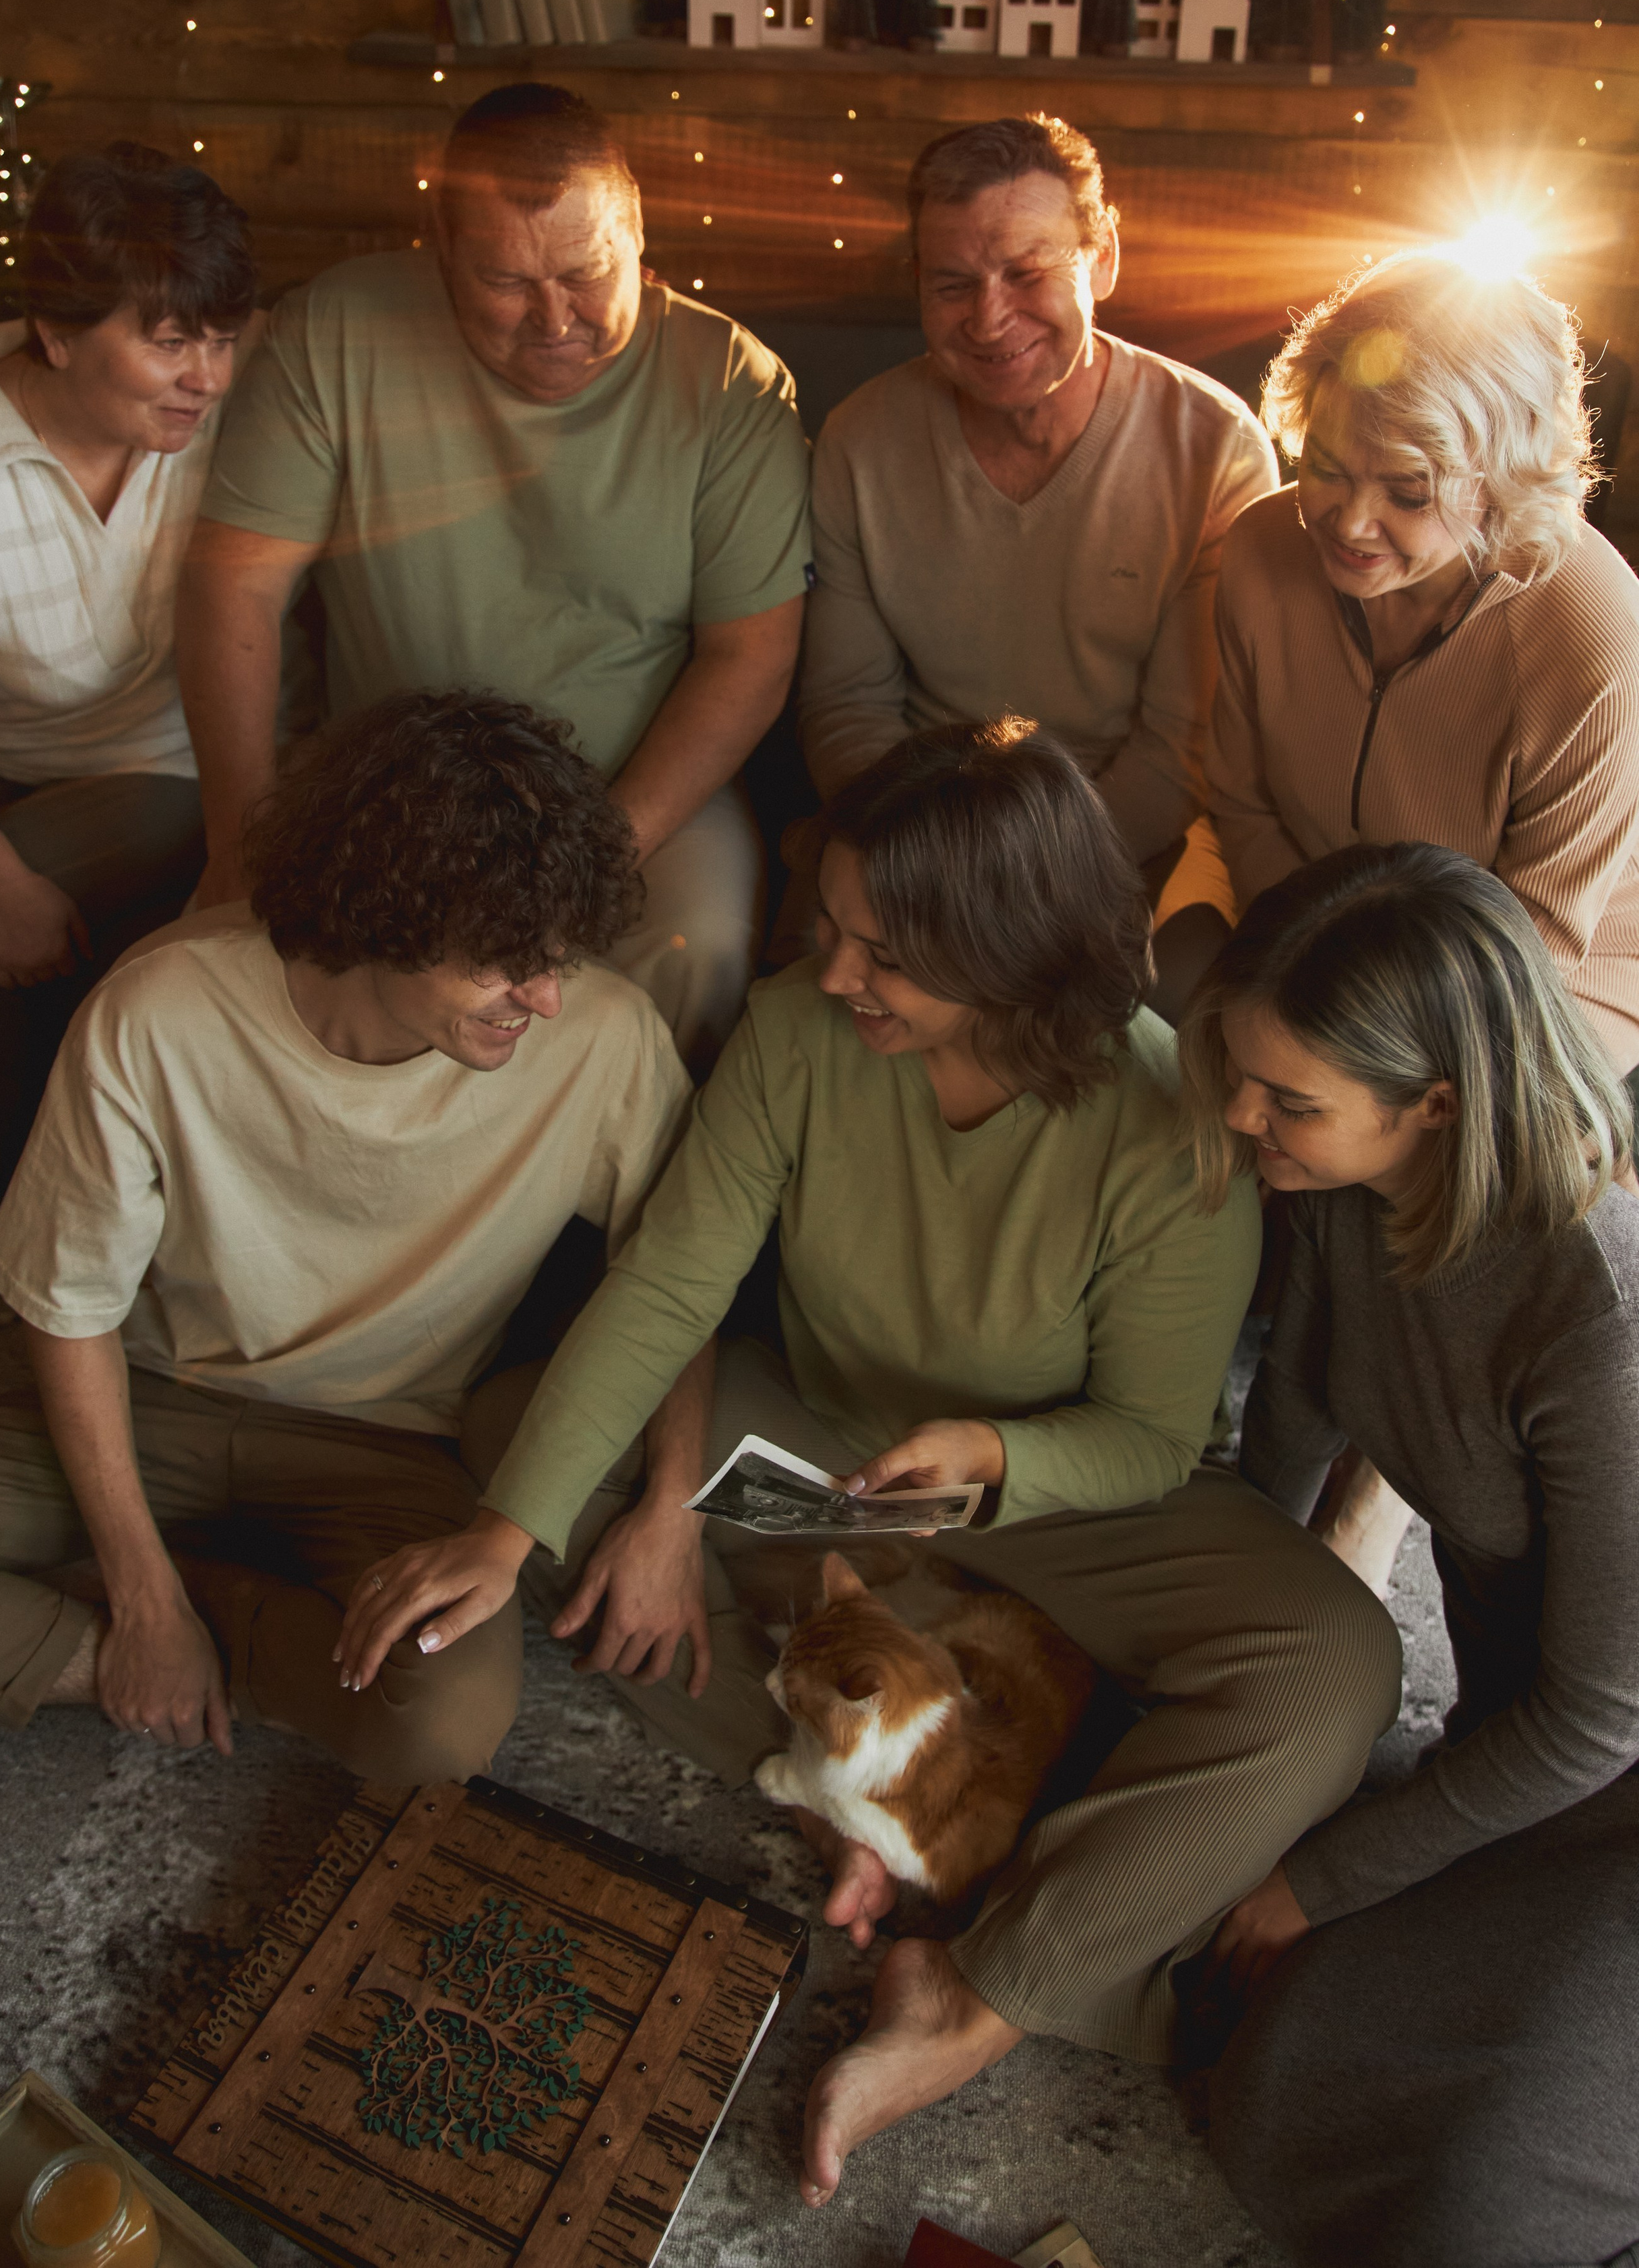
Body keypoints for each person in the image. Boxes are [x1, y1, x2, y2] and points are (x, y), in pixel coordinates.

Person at [328, 718, 1399, 2207]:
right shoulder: (794, 1034)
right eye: (830, 932)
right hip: (831, 1459)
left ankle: (978, 1981)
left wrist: (996, 1454)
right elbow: (669, 1284)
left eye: (880, 956)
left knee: (1336, 1667)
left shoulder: (1170, 1126)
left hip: (1063, 1493)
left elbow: (1151, 1437)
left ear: (1015, 956)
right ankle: (900, 1805)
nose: (836, 978)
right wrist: (532, 1529)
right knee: (522, 1440)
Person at [0, 691, 692, 1786]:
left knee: (438, 1731)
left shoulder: (607, 1040)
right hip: (151, 1404)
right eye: (506, 963)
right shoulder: (158, 1009)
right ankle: (141, 1626)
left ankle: (201, 1602)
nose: (549, 998)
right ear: (382, 914)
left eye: (558, 954)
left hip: (389, 1448)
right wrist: (140, 1611)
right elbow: (71, 1309)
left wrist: (672, 1501)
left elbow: (675, 1278)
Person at [1172, 842, 1639, 2268]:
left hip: (1602, 1751)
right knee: (1264, 2078)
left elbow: (1603, 1713)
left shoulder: (1593, 1310)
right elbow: (1292, 1431)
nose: (1244, 1117)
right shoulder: (1338, 1190)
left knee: (1473, 2217)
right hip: (1526, 1743)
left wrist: (1319, 1878)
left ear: (1433, 1106)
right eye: (1242, 1075)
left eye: (1289, 1101)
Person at [177, 82, 811, 1069]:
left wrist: (591, 862)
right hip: (382, 789)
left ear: (637, 228)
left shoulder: (733, 381)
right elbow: (236, 588)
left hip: (632, 790)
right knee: (229, 970)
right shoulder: (333, 330)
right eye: (506, 282)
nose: (555, 318)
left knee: (704, 948)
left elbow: (752, 657)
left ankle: (620, 1216)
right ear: (438, 245)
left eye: (588, 272)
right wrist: (236, 838)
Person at [0, 142, 259, 1300]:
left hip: (193, 762)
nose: (204, 375)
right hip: (0, 765)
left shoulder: (228, 423)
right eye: (168, 342)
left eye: (219, 338)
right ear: (56, 334)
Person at [796, 114, 1277, 944]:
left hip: (1120, 850)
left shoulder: (1215, 447)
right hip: (906, 840)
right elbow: (847, 708)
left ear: (1103, 259)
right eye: (951, 284)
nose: (988, 319)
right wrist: (936, 870)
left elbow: (1182, 752)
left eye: (1026, 273)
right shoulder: (859, 439)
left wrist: (1021, 886)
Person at [1208, 248, 1639, 1080]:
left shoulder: (1595, 637)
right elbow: (1242, 801)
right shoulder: (1261, 552)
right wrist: (1306, 967)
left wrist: (1351, 1026)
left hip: (1541, 986)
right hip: (1306, 935)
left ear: (1506, 483)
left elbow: (1535, 936)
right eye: (1325, 469)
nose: (1351, 524)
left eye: (1408, 494)